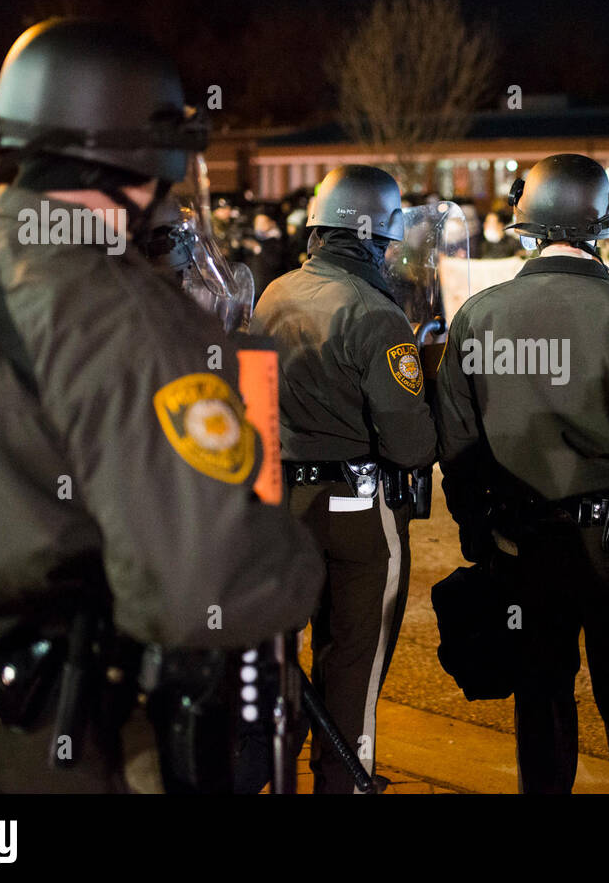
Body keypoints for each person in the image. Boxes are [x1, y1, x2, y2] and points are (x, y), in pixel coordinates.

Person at [0, 18, 324, 793]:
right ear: (139, 153)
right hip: (95, 737)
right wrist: (285, 554)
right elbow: (206, 587)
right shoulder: (134, 319)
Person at [434, 153, 609, 793]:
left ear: (526, 222)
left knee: (541, 703)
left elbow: (454, 445)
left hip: (521, 545)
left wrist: (476, 526)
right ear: (603, 223)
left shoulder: (478, 316)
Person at [250, 164, 437, 793]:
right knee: (353, 654)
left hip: (278, 501)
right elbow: (409, 443)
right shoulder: (375, 312)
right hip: (356, 506)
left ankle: (274, 767)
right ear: (373, 234)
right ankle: (344, 777)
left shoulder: (273, 294)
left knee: (279, 655)